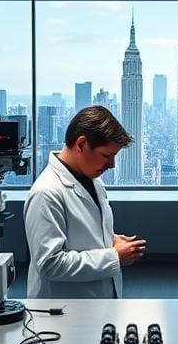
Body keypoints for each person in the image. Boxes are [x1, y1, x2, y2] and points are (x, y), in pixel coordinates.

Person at [25, 106, 145, 298]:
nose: (112, 165)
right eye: (107, 155)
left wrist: (109, 239)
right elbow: (49, 264)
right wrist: (114, 256)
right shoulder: (46, 193)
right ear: (81, 144)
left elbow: (81, 232)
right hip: (61, 312)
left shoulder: (91, 180)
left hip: (95, 306)